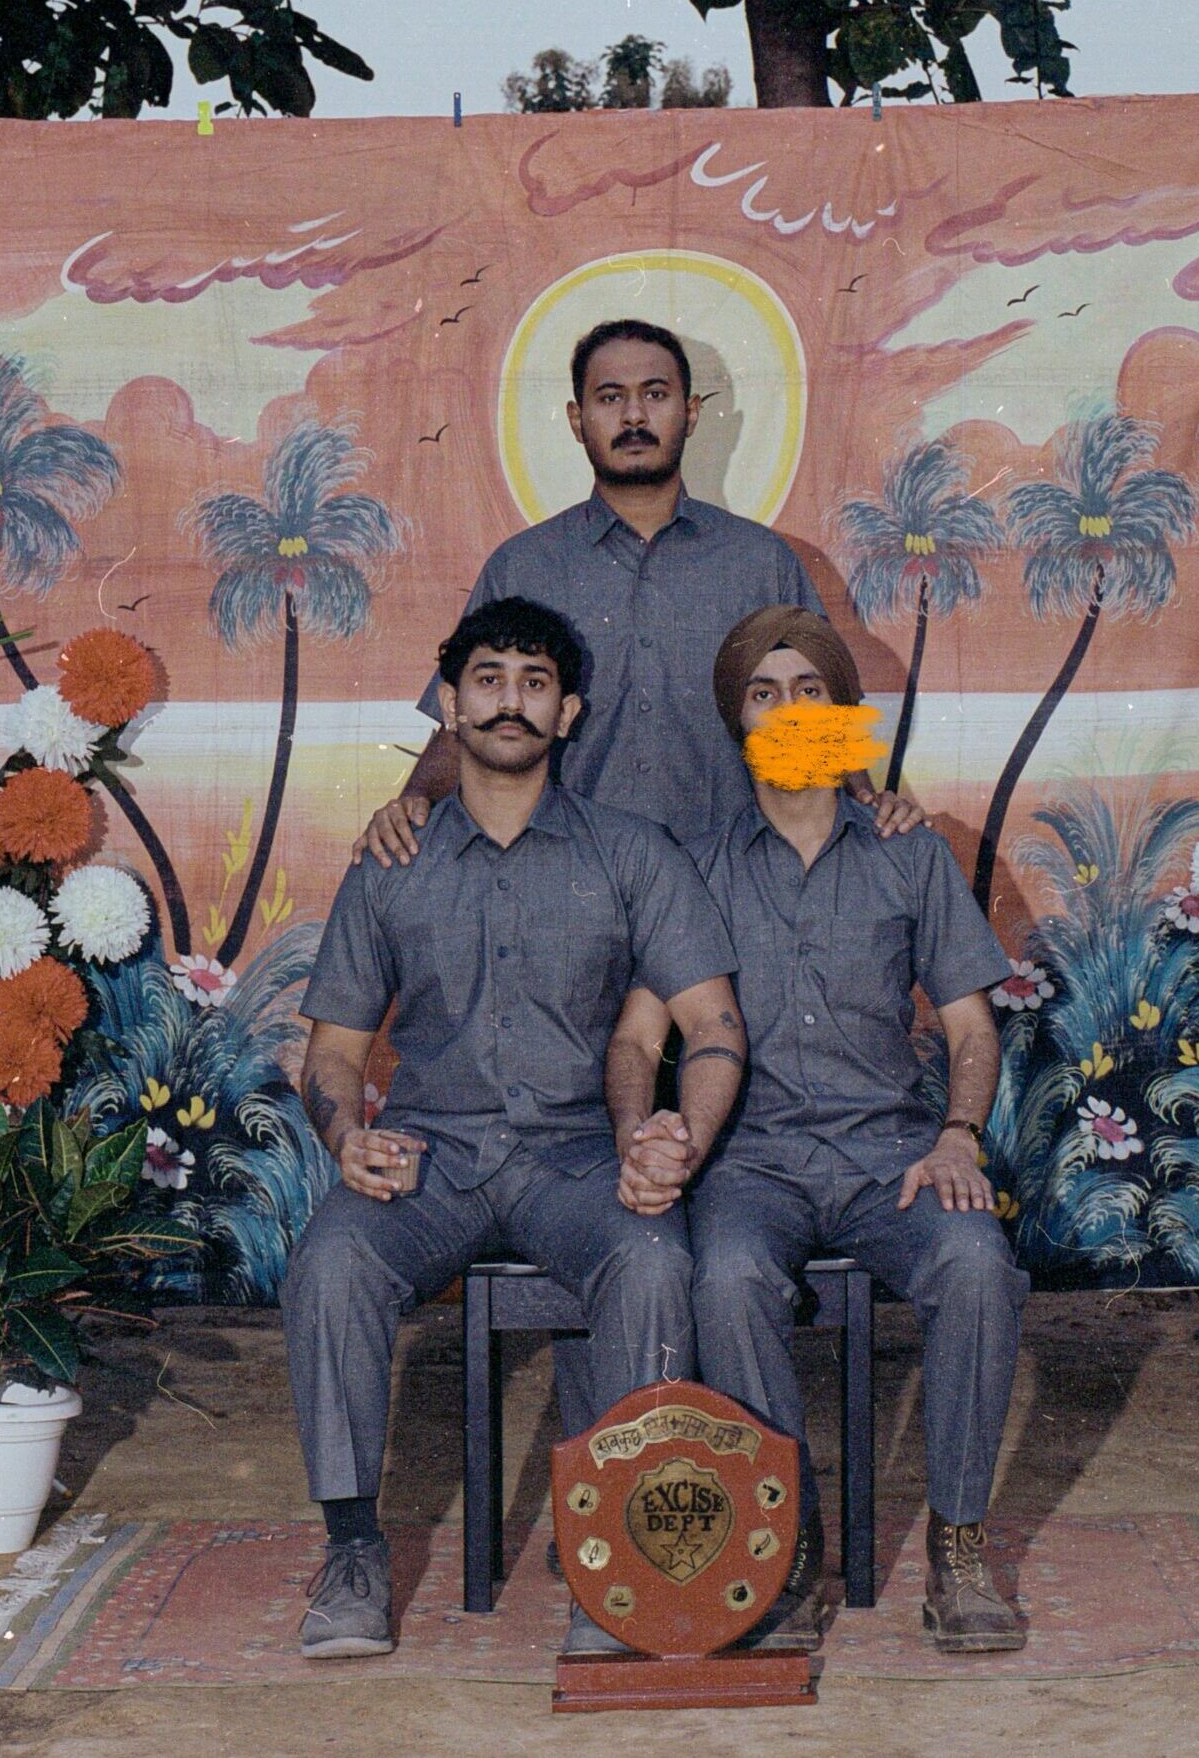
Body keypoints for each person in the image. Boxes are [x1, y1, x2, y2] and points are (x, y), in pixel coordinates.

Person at [282, 596, 749, 1660]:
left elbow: (712, 1023)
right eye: (487, 678)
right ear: (450, 704)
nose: (509, 701)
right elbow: (335, 1055)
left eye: (534, 682)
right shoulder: (391, 863)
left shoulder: (633, 853)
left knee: (650, 1258)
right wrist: (345, 1135)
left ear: (569, 712)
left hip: (576, 1162)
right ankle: (353, 1553)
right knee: (331, 1265)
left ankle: (624, 1564)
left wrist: (676, 1138)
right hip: (431, 1160)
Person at [615, 605, 1030, 1656]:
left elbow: (971, 1025)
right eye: (763, 694)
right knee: (726, 1280)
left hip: (893, 1152)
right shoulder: (690, 867)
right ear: (736, 724)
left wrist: (957, 1138)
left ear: (844, 715)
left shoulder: (908, 853)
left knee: (977, 1264)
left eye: (811, 692)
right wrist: (645, 1130)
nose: (788, 710)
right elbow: (638, 1033)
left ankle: (959, 1543)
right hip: (750, 1164)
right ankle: (780, 1540)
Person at [356, 316, 923, 864]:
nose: (633, 416)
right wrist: (413, 804)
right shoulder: (524, 567)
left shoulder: (762, 564)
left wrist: (871, 806)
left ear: (692, 412)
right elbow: (465, 724)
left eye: (655, 395)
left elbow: (819, 724)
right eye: (609, 398)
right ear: (577, 420)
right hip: (567, 883)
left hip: (728, 885)